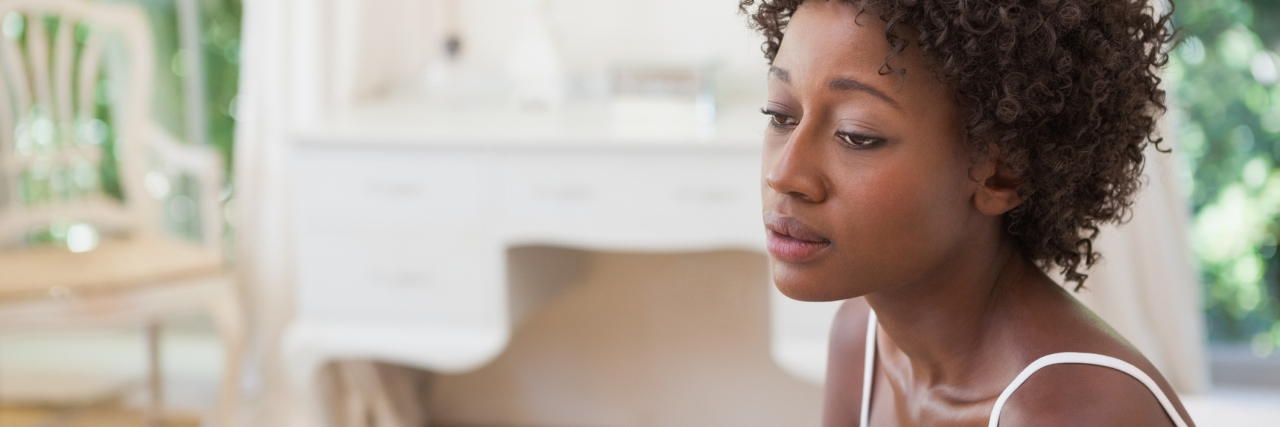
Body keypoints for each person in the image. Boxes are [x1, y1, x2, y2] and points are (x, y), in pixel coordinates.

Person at [743, 0, 1194, 425]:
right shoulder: (861, 340)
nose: (784, 174)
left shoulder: (1072, 412)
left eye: (856, 135)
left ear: (1001, 176)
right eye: (780, 114)